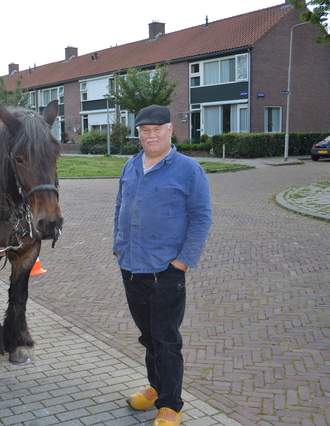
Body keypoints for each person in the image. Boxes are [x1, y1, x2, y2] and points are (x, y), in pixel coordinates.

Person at [113, 105, 212, 426]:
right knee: (148, 336)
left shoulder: (188, 169)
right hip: (131, 267)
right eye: (144, 130)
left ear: (170, 130)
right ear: (138, 133)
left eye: (157, 129)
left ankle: (171, 405)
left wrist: (181, 263)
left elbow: (201, 217)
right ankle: (156, 388)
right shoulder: (130, 166)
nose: (150, 135)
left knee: (166, 339)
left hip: (166, 273)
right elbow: (120, 207)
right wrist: (118, 246)